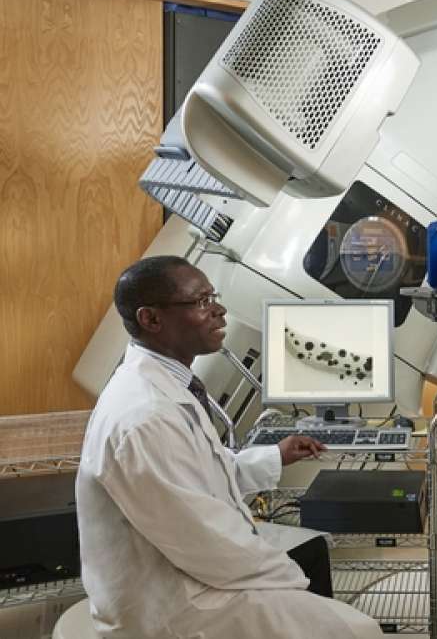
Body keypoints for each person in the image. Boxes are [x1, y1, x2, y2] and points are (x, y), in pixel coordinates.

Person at [76, 255, 382, 639]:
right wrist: (290, 580)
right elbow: (204, 540)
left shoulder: (167, 385)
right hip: (174, 605)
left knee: (310, 568)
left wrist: (276, 454)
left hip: (191, 572)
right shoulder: (145, 416)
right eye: (201, 301)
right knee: (359, 630)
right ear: (151, 319)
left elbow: (204, 473)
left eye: (213, 296)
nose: (219, 310)